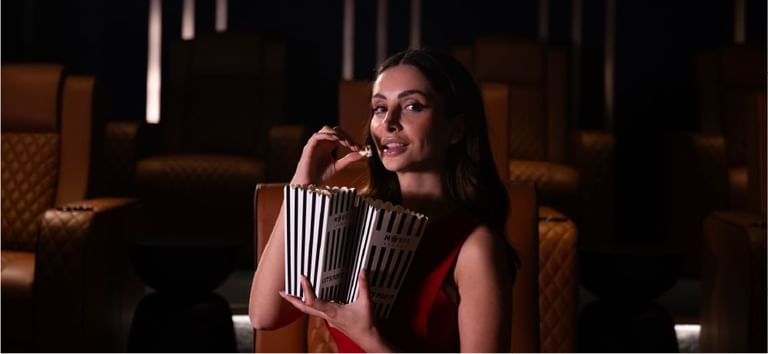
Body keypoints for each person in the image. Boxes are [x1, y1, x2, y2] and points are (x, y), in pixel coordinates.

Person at [249, 48, 516, 352]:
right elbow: (264, 315)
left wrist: (367, 337)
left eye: (413, 106)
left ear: (456, 129)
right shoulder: (349, 220)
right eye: (379, 108)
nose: (389, 122)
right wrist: (302, 184)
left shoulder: (476, 247)